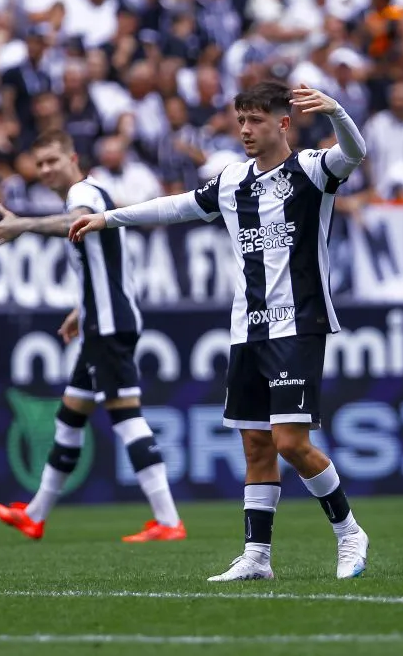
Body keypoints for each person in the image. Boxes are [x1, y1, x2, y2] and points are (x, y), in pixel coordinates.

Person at [69, 82, 371, 581]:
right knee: (256, 446)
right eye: (241, 121)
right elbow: (176, 206)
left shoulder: (313, 170)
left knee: (290, 442)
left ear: (283, 123)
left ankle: (349, 532)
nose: (246, 131)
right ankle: (257, 556)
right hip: (246, 329)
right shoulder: (233, 181)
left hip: (298, 323)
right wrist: (109, 218)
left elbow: (355, 152)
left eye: (255, 121)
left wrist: (338, 110)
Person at [0, 130, 185, 543]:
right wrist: (81, 310)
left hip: (109, 326)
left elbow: (73, 223)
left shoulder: (85, 192)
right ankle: (35, 514)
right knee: (71, 417)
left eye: (52, 161)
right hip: (99, 321)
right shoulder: (90, 193)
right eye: (39, 165)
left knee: (126, 417)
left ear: (73, 158)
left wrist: (24, 223)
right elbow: (106, 265)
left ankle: (167, 520)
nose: (45, 170)